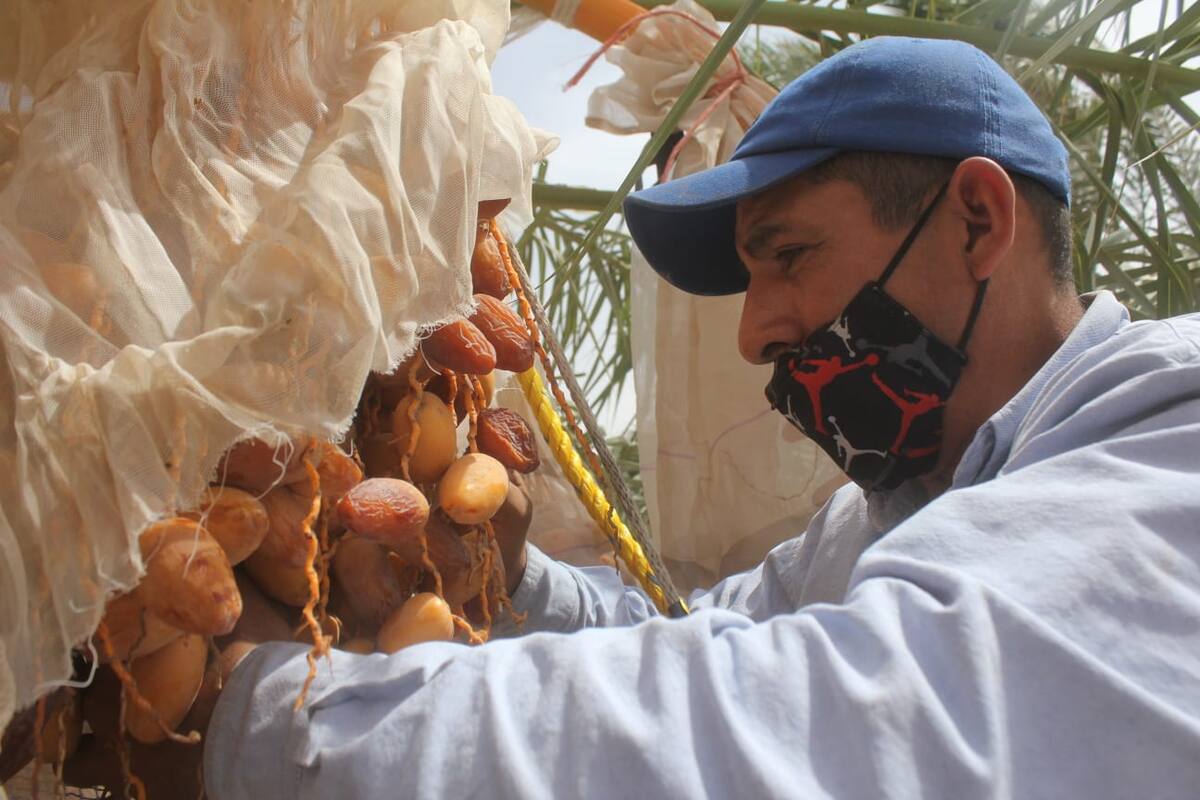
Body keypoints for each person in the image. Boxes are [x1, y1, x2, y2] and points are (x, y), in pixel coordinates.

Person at [91, 36, 1200, 798]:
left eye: (790, 257)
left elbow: (789, 733)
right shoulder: (896, 507)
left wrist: (266, 715)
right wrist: (512, 577)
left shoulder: (1164, 450)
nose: (755, 332)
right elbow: (702, 633)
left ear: (975, 221)